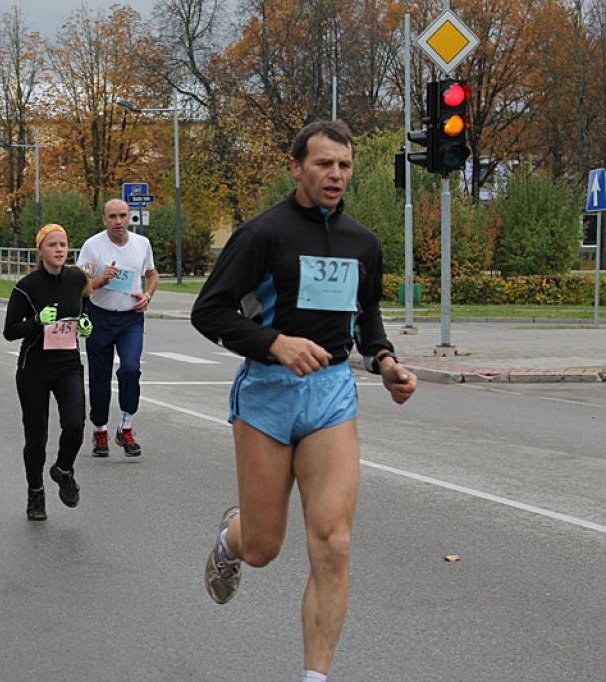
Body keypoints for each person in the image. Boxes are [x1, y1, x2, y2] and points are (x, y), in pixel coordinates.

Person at [190, 120, 418, 682]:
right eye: (323, 164)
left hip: (332, 396)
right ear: (296, 167)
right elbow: (209, 312)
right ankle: (233, 535)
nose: (335, 175)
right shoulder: (262, 235)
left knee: (334, 542)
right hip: (267, 396)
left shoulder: (362, 242)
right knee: (264, 547)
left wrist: (385, 361)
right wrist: (274, 342)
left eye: (343, 165)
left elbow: (365, 316)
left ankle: (315, 678)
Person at [3, 224, 93, 521]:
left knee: (76, 424)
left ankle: (63, 469)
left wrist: (85, 323)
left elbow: (85, 307)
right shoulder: (27, 286)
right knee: (36, 436)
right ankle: (36, 493)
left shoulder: (77, 278)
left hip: (68, 365)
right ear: (40, 250)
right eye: (52, 245)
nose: (59, 250)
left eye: (63, 244)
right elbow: (10, 331)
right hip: (34, 369)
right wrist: (37, 322)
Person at [77, 198, 157, 458]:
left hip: (130, 318)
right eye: (112, 216)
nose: (118, 221)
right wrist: (101, 281)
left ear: (129, 217)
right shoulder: (93, 246)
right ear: (104, 219)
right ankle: (100, 430)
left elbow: (152, 274)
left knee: (131, 369)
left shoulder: (142, 244)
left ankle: (126, 426)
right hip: (100, 317)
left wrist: (148, 295)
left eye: (123, 215)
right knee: (99, 378)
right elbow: (80, 284)